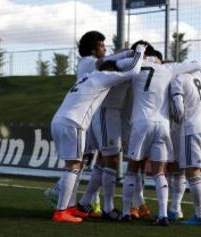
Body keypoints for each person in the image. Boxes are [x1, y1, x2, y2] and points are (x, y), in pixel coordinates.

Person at [51, 44, 146, 223]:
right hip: (74, 122)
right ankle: (60, 211)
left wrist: (126, 53)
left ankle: (70, 207)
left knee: (73, 164)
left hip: (59, 120)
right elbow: (133, 71)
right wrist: (139, 51)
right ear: (111, 72)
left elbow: (105, 62)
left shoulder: (88, 75)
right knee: (74, 166)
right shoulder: (104, 77)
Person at [122, 41, 201, 226]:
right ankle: (163, 215)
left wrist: (133, 55)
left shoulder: (136, 65)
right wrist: (171, 67)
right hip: (163, 125)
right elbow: (198, 65)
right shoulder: (168, 68)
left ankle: (127, 212)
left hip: (141, 123)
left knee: (133, 168)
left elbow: (119, 64)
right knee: (159, 171)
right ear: (158, 58)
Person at [170, 70, 201, 225]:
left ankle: (200, 215)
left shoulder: (178, 79)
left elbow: (179, 109)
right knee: (195, 170)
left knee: (192, 171)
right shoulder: (196, 77)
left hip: (190, 128)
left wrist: (179, 121)